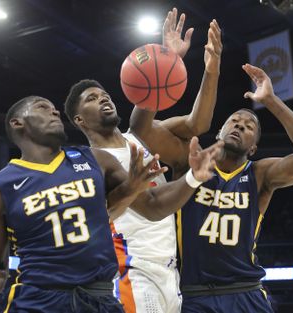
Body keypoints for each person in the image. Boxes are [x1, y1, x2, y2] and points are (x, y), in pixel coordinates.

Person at [0, 96, 222, 312]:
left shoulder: (96, 159)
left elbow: (150, 207)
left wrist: (192, 178)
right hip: (40, 298)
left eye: (55, 109)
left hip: (99, 298)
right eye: (43, 107)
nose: (54, 112)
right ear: (17, 123)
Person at [64, 8, 222, 313]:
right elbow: (152, 206)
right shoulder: (93, 161)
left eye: (104, 94)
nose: (103, 98)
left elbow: (197, 124)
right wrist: (191, 179)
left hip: (169, 269)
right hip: (131, 270)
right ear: (80, 119)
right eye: (92, 99)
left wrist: (200, 67)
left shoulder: (140, 136)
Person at [176, 64, 293, 313]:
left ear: (253, 149)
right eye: (234, 121)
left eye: (249, 127)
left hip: (246, 292)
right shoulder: (190, 162)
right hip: (195, 294)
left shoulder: (259, 174)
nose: (240, 126)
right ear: (219, 134)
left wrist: (271, 101)